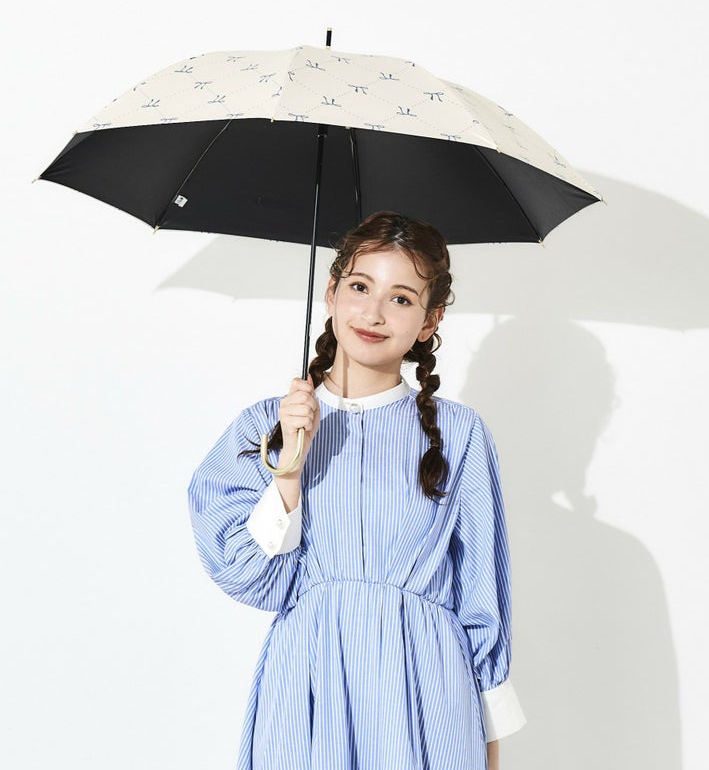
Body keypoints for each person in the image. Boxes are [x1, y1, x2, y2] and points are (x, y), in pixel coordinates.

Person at [187, 211, 527, 770]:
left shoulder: (459, 434)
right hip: (308, 688)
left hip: (427, 696)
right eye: (361, 287)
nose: (373, 313)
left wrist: (490, 751)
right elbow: (248, 577)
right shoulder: (264, 427)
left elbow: (481, 597)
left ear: (430, 320)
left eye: (401, 298)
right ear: (331, 292)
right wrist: (288, 472)